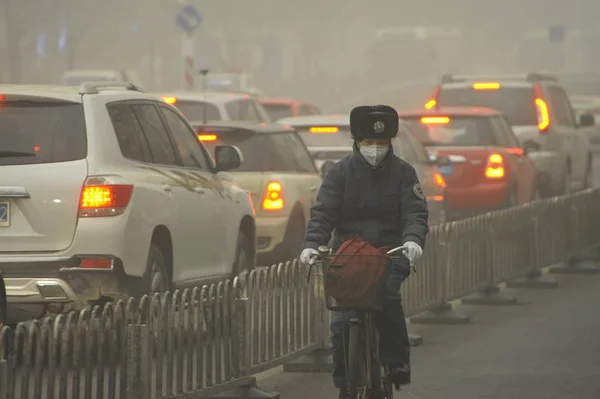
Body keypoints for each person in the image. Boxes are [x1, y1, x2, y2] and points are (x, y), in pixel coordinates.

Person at [300, 105, 429, 398]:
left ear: (390, 143)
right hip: (350, 256)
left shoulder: (404, 173)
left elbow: (415, 214)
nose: (375, 149)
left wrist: (412, 242)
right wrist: (311, 244)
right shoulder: (339, 173)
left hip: (391, 254)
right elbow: (323, 214)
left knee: (387, 299)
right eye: (368, 143)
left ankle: (396, 364)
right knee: (342, 320)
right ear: (357, 143)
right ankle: (345, 383)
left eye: (381, 143)